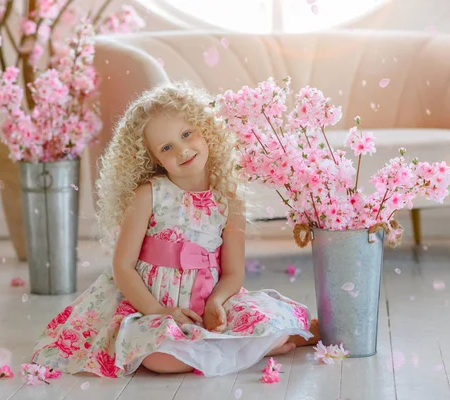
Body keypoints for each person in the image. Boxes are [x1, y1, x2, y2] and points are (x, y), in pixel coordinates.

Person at [31, 81, 319, 378]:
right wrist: (157, 311)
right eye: (167, 147)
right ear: (155, 158)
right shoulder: (149, 195)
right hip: (150, 307)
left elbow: (233, 272)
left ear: (205, 128)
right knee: (159, 358)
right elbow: (123, 266)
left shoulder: (229, 200)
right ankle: (246, 348)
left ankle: (237, 342)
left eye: (186, 134)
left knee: (260, 319)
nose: (182, 150)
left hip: (206, 305)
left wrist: (217, 302)